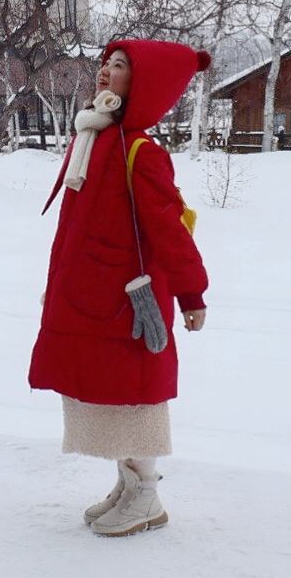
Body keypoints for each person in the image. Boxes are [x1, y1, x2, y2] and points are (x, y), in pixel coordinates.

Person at [29, 40, 210, 537]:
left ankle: (147, 495)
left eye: (121, 66)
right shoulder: (94, 135)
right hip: (87, 295)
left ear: (144, 83)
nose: (106, 73)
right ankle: (128, 486)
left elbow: (170, 231)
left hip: (126, 302)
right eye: (106, 63)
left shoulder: (139, 151)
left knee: (136, 398)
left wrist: (192, 294)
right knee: (106, 396)